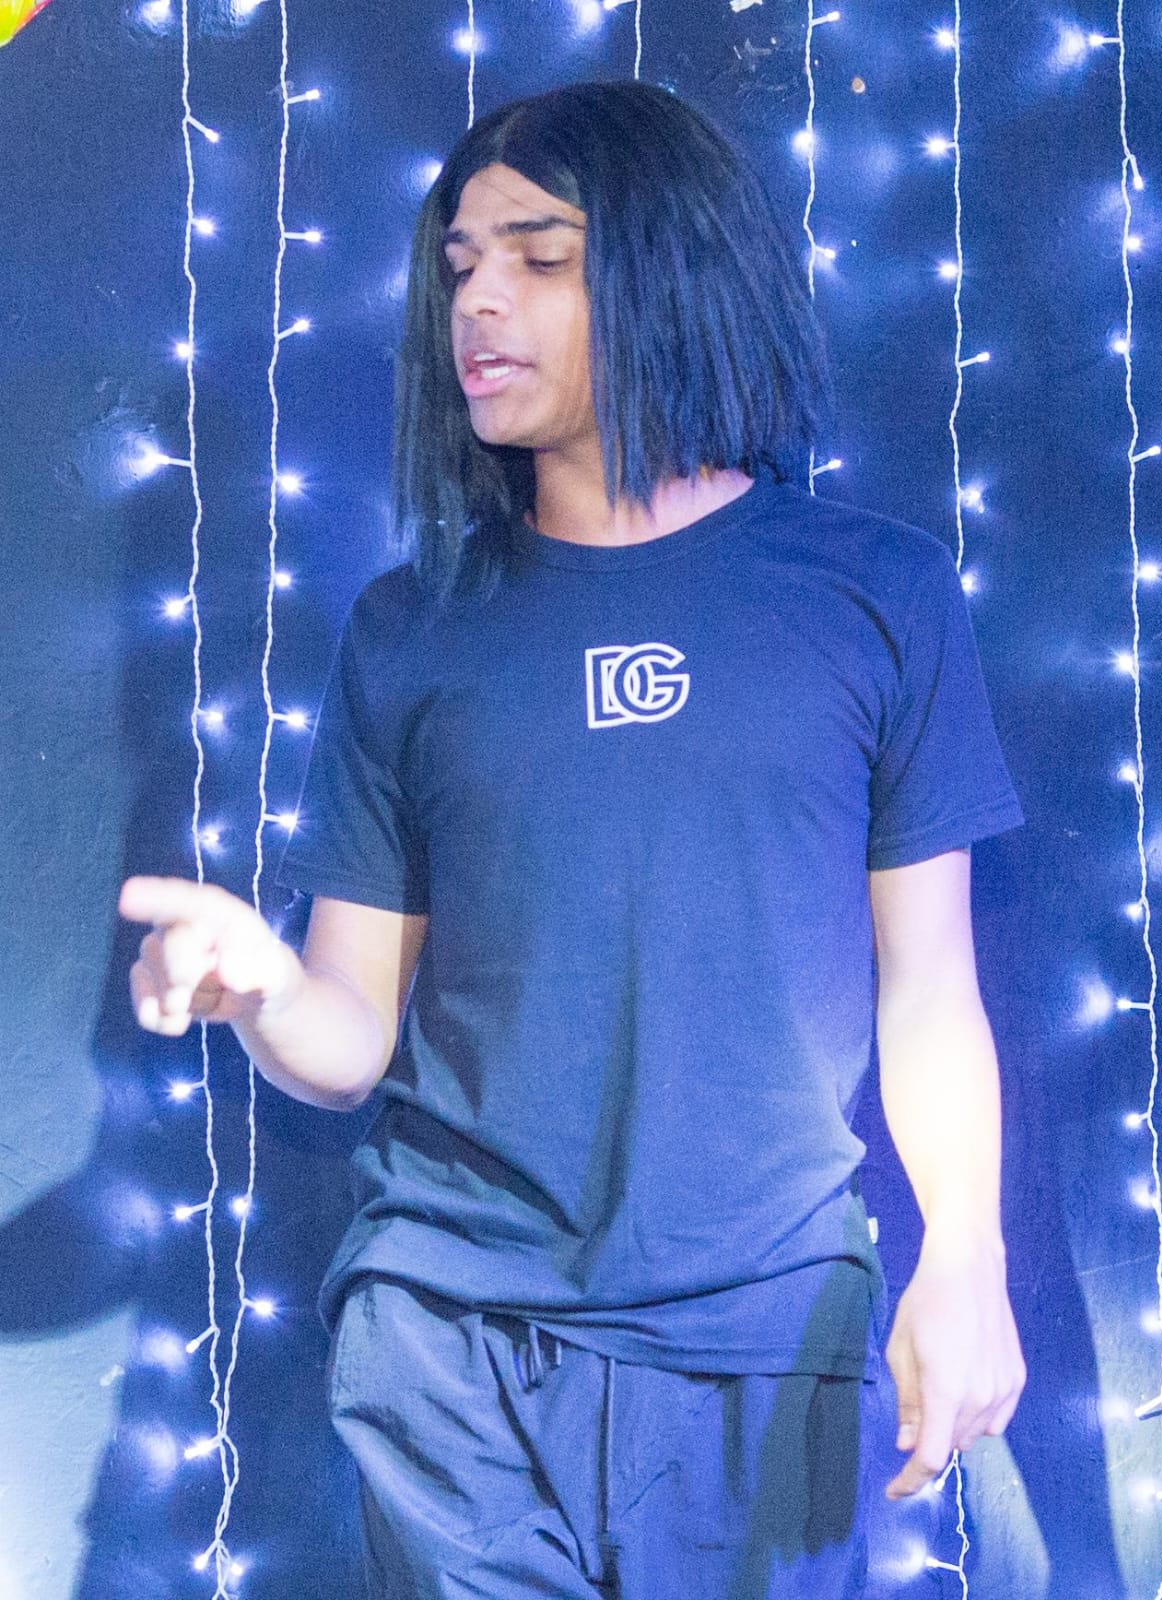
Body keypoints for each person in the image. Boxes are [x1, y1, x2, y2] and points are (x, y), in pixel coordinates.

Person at [120, 79, 1027, 1600]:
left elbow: (930, 987)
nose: (478, 301)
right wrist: (262, 987)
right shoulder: (413, 629)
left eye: (539, 258)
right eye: (461, 265)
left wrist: (968, 1259)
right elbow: (349, 1041)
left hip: (764, 1335)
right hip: (447, 1331)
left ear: (672, 270)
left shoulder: (877, 594)